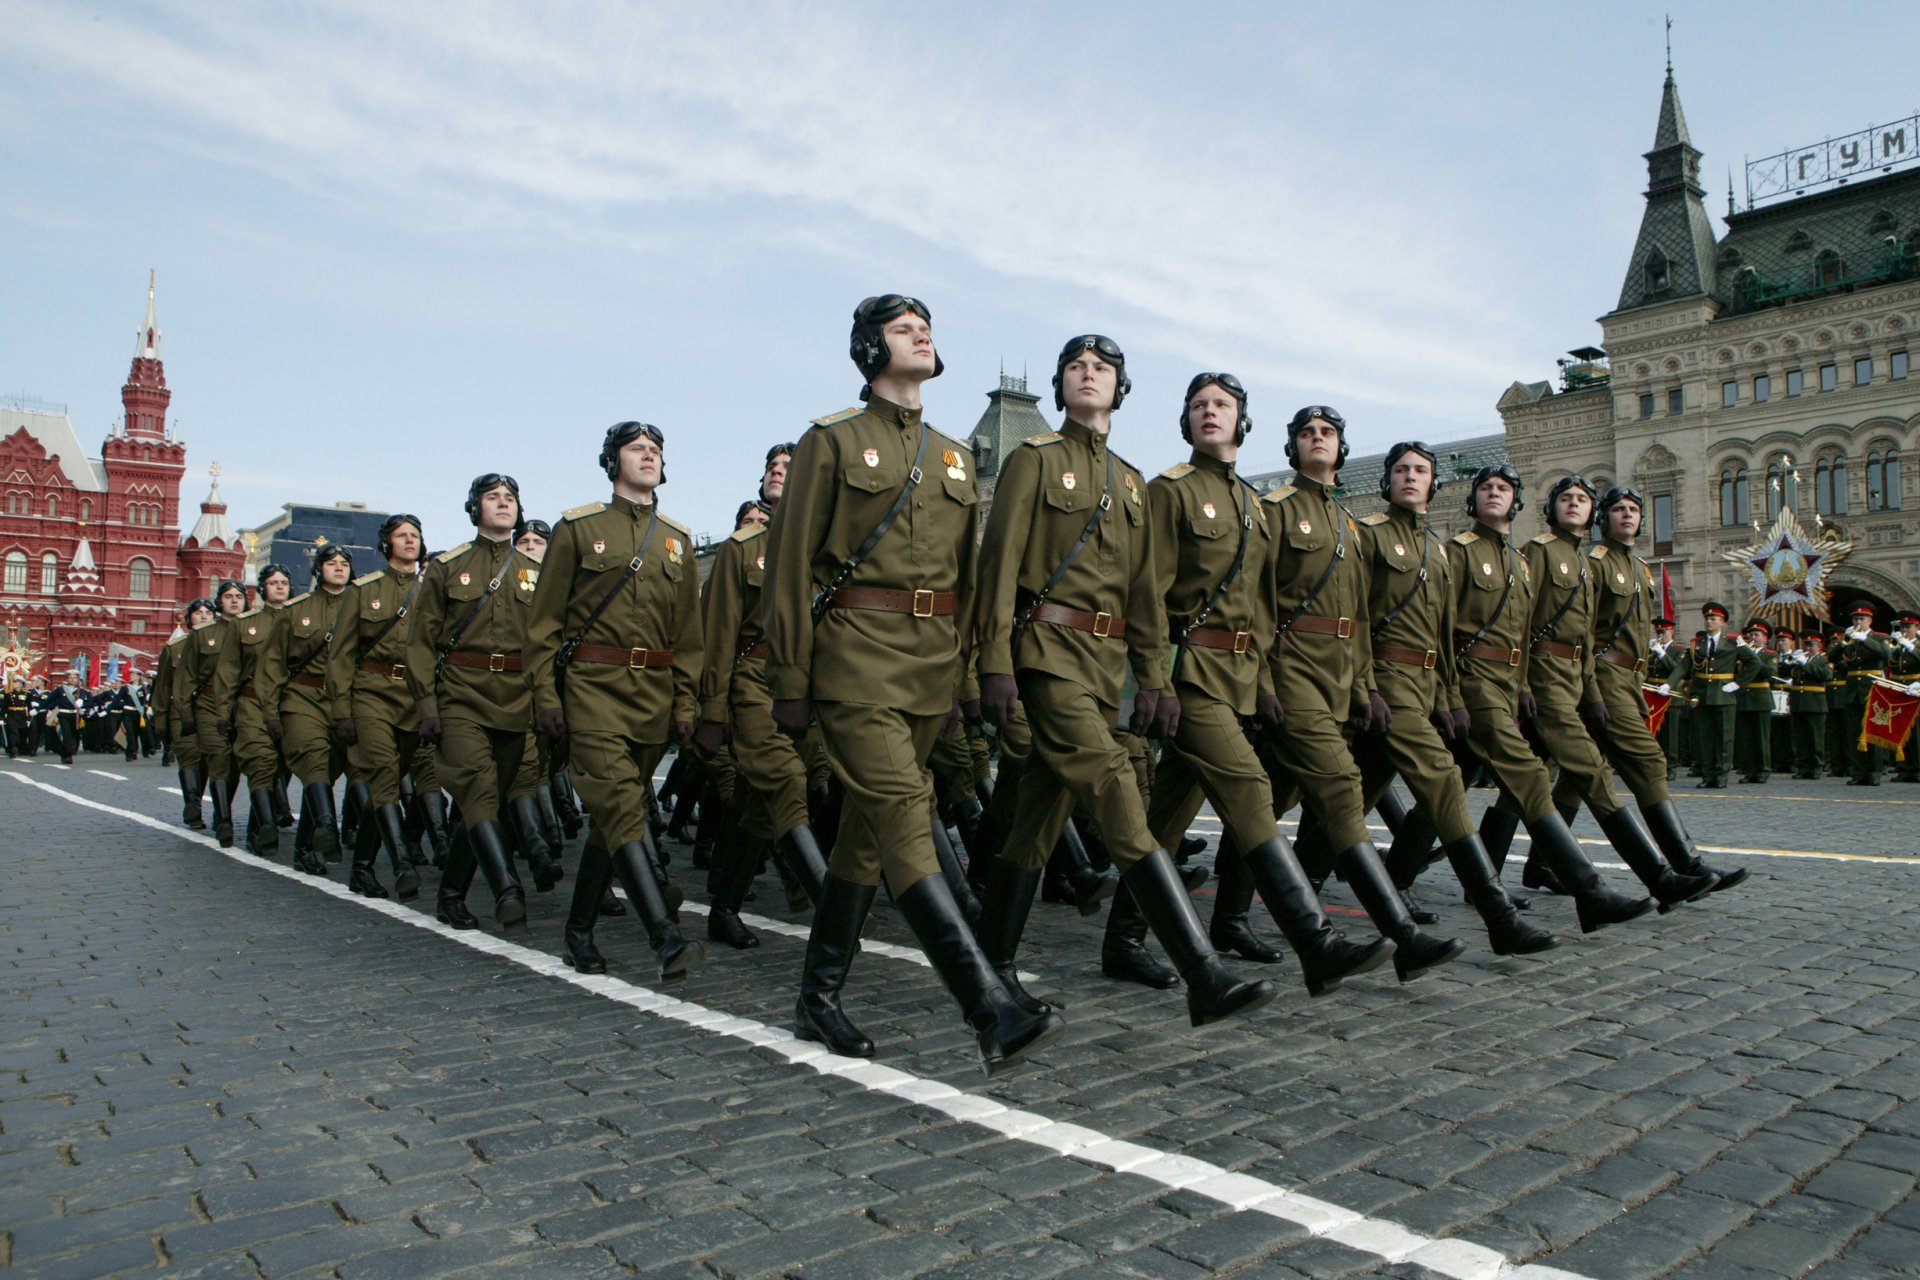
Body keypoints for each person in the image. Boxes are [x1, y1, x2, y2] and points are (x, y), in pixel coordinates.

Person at [765, 293, 1063, 1076]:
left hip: (932, 669)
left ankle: (817, 996)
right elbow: (791, 570)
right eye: (901, 327)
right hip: (856, 658)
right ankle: (989, 1005)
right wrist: (790, 676)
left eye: (924, 326)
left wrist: (966, 674)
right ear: (869, 350)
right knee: (904, 815)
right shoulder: (830, 441)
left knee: (868, 840)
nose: (920, 334)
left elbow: (967, 582)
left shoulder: (955, 456)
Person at [973, 343, 1278, 1025]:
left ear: (1121, 388)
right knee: (1116, 790)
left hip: (1105, 668)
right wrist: (993, 660)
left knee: (1035, 821)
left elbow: (1145, 593)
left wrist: (1154, 679)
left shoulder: (1133, 483)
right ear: (1060, 384)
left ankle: (989, 974)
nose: (1089, 374)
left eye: (1103, 369)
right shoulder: (1035, 459)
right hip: (1049, 653)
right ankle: (1203, 972)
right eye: (1077, 366)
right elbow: (998, 568)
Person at [1140, 382, 1409, 994]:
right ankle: (1315, 943)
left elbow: (1260, 607)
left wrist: (1260, 683)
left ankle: (1124, 939)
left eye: (1223, 406)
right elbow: (1150, 594)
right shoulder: (1171, 489)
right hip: (1190, 672)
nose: (1211, 413)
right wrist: (1154, 681)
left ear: (1243, 422)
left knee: (1164, 817)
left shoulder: (1254, 505)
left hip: (1237, 679)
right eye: (1200, 405)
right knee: (1250, 788)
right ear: (1186, 421)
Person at [1256, 406, 1465, 978]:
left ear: (1342, 447)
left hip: (1344, 681)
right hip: (1293, 671)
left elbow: (1358, 619)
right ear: (1292, 446)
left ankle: (1229, 916)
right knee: (1339, 789)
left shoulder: (1348, 525)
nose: (1317, 438)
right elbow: (1258, 601)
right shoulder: (1275, 510)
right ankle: (1404, 933)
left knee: (1266, 798)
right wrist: (1263, 679)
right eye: (1306, 432)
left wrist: (1366, 687)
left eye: (1327, 432)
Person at [1433, 466, 1654, 932]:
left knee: (1441, 783)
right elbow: (1443, 627)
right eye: (1487, 488)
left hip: (1521, 683)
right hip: (1474, 679)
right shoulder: (1477, 552)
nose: (1495, 494)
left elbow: (1535, 634)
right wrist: (1450, 691)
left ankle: (1398, 876)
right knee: (1532, 775)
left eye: (1504, 489)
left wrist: (1526, 687)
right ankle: (1610, 886)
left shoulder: (1519, 559)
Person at [527, 421, 705, 980]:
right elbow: (544, 624)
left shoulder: (676, 539)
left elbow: (689, 635)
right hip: (593, 690)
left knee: (613, 820)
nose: (648, 455)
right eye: (636, 448)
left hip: (651, 695)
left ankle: (578, 934)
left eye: (655, 449)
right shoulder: (579, 529)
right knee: (623, 807)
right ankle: (664, 934)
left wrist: (685, 703)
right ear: (612, 461)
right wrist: (544, 694)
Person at [694, 446, 835, 952]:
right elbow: (717, 636)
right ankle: (831, 909)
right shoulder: (740, 548)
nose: (778, 472)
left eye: (789, 467)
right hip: (754, 679)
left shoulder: (826, 549)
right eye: (772, 467)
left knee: (757, 807)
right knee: (786, 777)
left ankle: (723, 909)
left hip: (810, 684)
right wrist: (711, 710)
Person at [1571, 485, 1745, 891]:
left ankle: (1539, 863)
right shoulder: (1594, 563)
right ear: (1604, 518)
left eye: (1634, 509)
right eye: (1618, 509)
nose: (1628, 515)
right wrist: (1590, 688)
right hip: (1604, 674)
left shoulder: (1640, 567)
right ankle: (1687, 864)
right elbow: (1581, 629)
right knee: (1648, 761)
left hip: (1631, 678)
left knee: (1574, 774)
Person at [409, 474, 539, 930]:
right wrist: (426, 706)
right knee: (477, 786)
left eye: (510, 498)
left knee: (481, 799)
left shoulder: (537, 570)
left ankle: (450, 895)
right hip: (462, 694)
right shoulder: (448, 566)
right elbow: (421, 642)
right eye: (492, 497)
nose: (503, 504)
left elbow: (546, 644)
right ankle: (507, 885)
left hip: (516, 698)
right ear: (474, 508)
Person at [328, 514, 428, 900]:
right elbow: (340, 654)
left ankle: (363, 869)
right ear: (386, 544)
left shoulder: (430, 590)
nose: (409, 541)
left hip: (414, 698)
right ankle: (402, 861)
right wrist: (342, 709)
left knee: (388, 780)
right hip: (371, 692)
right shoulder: (362, 590)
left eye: (415, 535)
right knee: (384, 773)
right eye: (401, 535)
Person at [259, 547, 354, 872]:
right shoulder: (296, 610)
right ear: (318, 569)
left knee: (330, 769)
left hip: (345, 700)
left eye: (344, 564)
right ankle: (328, 823)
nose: (339, 568)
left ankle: (304, 848)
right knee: (313, 758)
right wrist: (270, 713)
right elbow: (272, 665)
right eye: (331, 563)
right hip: (303, 696)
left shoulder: (362, 608)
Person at [233, 563, 295, 855]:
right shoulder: (245, 624)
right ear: (262, 589)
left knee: (282, 768)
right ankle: (264, 826)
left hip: (289, 703)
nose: (280, 587)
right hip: (252, 702)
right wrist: (224, 713)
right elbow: (228, 672)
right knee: (261, 762)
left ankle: (258, 825)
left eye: (284, 582)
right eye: (273, 583)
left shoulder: (299, 621)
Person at [1831, 604, 1892, 786]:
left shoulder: (1880, 638)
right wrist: (1843, 642)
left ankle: (1874, 772)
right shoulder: (1850, 640)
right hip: (1852, 691)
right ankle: (1858, 772)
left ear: (1870, 620)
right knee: (1854, 733)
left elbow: (1886, 655)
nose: (1858, 622)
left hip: (1872, 689)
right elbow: (1831, 658)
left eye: (1862, 619)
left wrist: (1865, 640)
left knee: (1872, 732)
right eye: (1856, 619)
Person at [1685, 603, 1740, 788]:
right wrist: (1669, 682)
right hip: (1702, 695)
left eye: (1713, 619)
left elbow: (1753, 663)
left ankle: (1721, 776)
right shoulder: (1697, 644)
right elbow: (1684, 665)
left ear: (1722, 623)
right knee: (1705, 738)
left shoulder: (1733, 642)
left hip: (1724, 695)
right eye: (1707, 618)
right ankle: (1708, 776)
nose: (1709, 621)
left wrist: (1738, 683)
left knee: (1725, 738)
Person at [1731, 619, 1777, 784]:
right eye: (1751, 635)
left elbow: (1768, 672)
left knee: (1761, 738)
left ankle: (1763, 770)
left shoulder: (1769, 654)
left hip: (1760, 698)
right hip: (1743, 698)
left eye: (1757, 635)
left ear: (1765, 639)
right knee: (1746, 739)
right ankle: (1749, 771)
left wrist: (1752, 658)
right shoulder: (1741, 654)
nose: (1753, 637)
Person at [1784, 631, 1833, 779]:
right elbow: (1787, 672)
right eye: (1806, 644)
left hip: (1815, 702)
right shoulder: (1801, 659)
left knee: (1816, 737)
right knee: (1801, 738)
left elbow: (1826, 675)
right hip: (1798, 701)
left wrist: (1805, 664)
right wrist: (1792, 661)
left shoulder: (1824, 659)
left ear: (1819, 646)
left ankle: (1817, 766)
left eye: (1811, 645)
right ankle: (1803, 767)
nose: (1808, 647)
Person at [1891, 613, 1920, 782]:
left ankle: (1917, 769)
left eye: (1908, 627)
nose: (1904, 630)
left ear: (1916, 628)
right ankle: (1904, 768)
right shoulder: (1898, 645)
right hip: (1899, 690)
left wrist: (1911, 648)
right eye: (1902, 627)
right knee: (1900, 730)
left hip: (1915, 689)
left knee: (1916, 732)